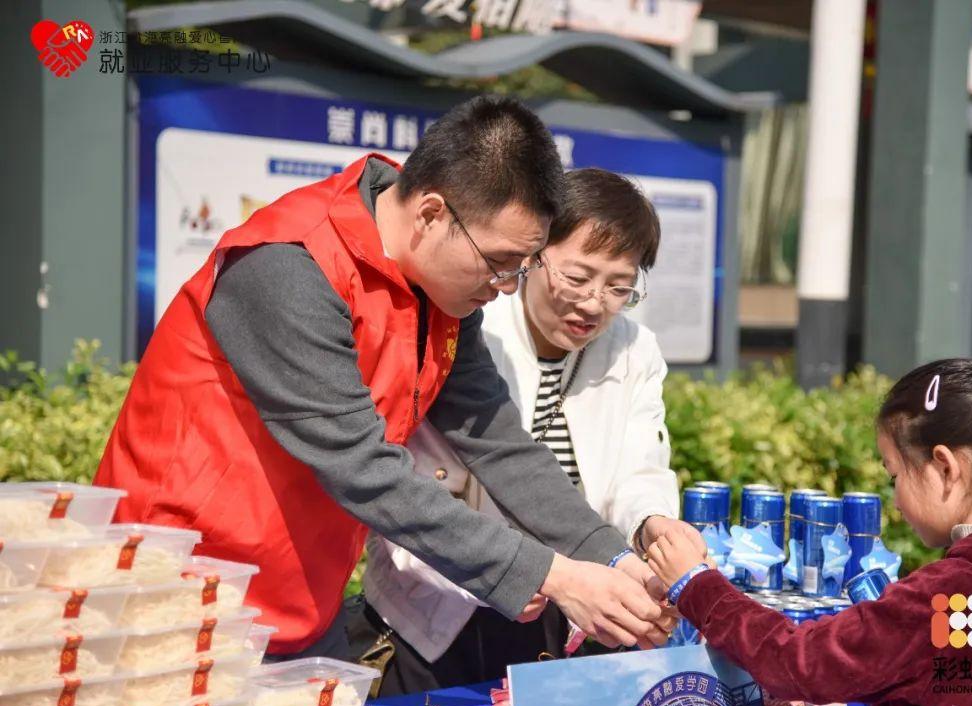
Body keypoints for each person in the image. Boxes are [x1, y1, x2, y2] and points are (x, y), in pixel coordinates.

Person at [93, 96, 671, 660]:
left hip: (300, 601)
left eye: (521, 268)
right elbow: (363, 468)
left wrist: (613, 558)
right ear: (430, 214)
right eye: (498, 263)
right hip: (176, 591)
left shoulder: (445, 293)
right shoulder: (288, 265)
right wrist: (549, 575)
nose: (507, 286)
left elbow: (498, 442)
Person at [357, 168, 701, 694]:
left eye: (619, 287)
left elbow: (639, 466)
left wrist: (653, 526)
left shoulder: (635, 350)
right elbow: (412, 480)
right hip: (437, 605)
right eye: (577, 277)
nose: (593, 303)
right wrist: (537, 573)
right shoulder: (470, 327)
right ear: (533, 254)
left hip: (572, 604)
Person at [648, 354, 972, 706]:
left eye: (894, 474)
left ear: (946, 468)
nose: (894, 502)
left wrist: (697, 586)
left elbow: (803, 662)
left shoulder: (953, 594)